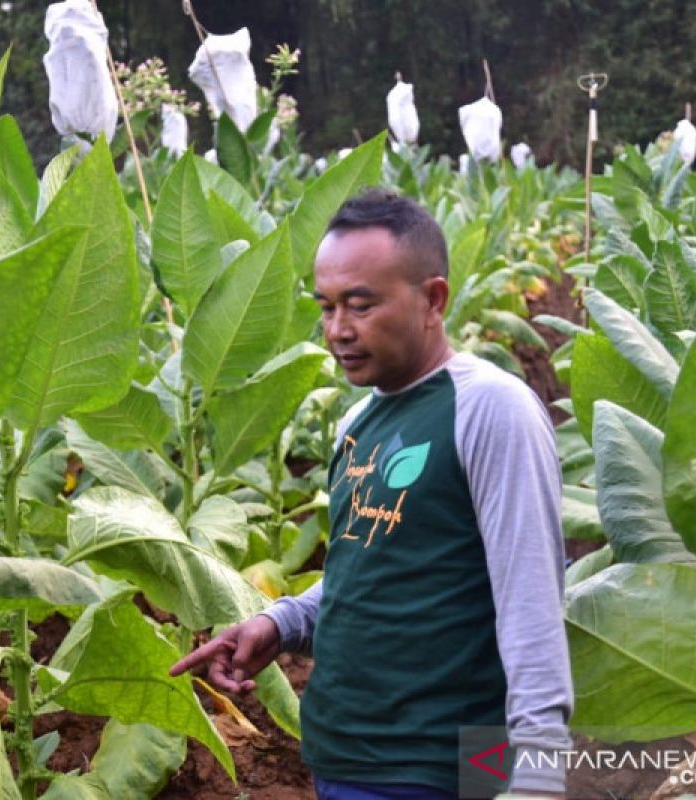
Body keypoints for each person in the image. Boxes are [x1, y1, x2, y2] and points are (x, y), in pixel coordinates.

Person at [170, 189, 572, 799]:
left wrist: (538, 782)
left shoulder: (490, 409)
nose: (337, 330)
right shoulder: (361, 420)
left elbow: (533, 606)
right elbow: (372, 568)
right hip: (344, 756)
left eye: (359, 306)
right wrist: (278, 623)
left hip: (441, 768)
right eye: (326, 307)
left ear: (433, 298)